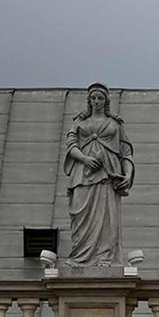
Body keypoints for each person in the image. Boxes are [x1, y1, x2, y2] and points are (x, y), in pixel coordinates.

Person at [62, 83, 135, 266]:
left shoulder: (115, 124)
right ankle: (80, 257)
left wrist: (127, 174)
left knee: (107, 218)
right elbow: (71, 146)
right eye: (93, 98)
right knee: (81, 216)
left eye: (100, 98)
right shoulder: (79, 122)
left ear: (106, 101)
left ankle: (105, 256)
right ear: (89, 100)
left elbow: (126, 152)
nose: (96, 101)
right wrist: (85, 159)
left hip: (107, 176)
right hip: (83, 175)